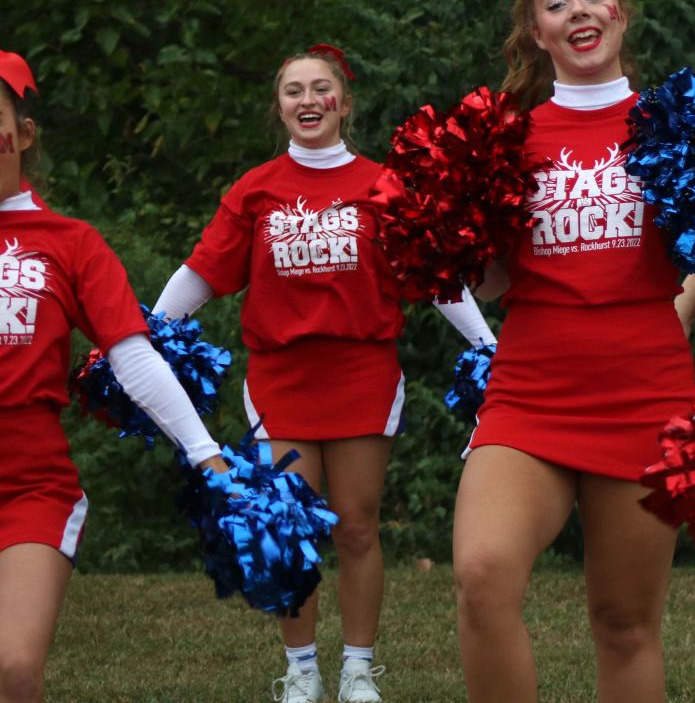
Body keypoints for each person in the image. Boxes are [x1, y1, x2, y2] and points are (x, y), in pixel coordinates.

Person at [152, 44, 495, 703]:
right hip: (281, 380)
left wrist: (487, 345)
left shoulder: (382, 184)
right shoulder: (256, 188)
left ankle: (359, 667)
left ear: (344, 100)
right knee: (288, 525)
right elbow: (203, 271)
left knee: (357, 525)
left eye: (320, 88)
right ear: (278, 105)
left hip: (363, 373)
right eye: (293, 91)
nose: (307, 101)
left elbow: (436, 280)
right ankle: (303, 667)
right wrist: (145, 335)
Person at [453, 0, 695, 703]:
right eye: (555, 1)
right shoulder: (504, 137)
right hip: (530, 393)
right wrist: (453, 235)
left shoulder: (677, 125)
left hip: (644, 395)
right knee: (482, 575)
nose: (576, 11)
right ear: (536, 30)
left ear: (619, 13)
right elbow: (490, 280)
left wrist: (675, 307)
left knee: (624, 623)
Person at [0, 50, 227, 703]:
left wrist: (203, 451)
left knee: (15, 667)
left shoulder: (70, 241)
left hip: (30, 487)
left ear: (22, 130)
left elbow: (132, 356)